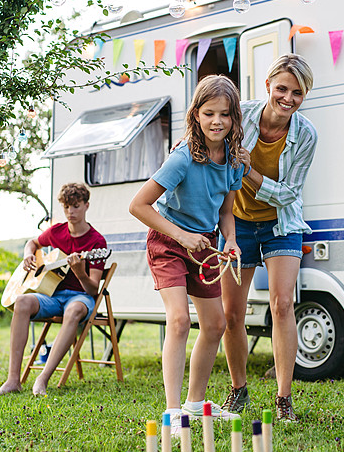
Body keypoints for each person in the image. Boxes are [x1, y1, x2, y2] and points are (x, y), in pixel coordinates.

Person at [129, 74, 244, 437]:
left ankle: (195, 404)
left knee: (215, 325)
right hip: (168, 241)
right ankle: (173, 412)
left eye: (224, 114)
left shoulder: (234, 162)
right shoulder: (182, 157)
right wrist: (181, 235)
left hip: (205, 244)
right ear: (196, 114)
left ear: (234, 118)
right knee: (179, 321)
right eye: (209, 113)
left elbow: (226, 212)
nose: (217, 121)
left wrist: (231, 241)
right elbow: (139, 205)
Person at [219, 53, 318, 422]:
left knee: (281, 304)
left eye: (297, 92)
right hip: (238, 221)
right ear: (268, 86)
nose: (288, 98)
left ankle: (283, 398)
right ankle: (238, 389)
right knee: (232, 313)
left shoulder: (306, 134)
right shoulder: (239, 116)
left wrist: (252, 173)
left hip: (282, 221)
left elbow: (290, 193)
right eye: (282, 89)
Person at [0, 182, 107, 397]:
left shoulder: (96, 242)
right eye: (66, 207)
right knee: (22, 302)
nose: (71, 212)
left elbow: (93, 290)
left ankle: (42, 379)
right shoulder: (56, 232)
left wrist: (80, 272)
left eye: (76, 206)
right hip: (53, 296)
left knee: (73, 311)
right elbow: (32, 242)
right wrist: (28, 255)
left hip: (81, 298)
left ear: (86, 206)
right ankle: (12, 380)